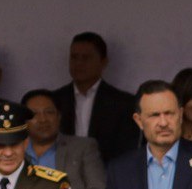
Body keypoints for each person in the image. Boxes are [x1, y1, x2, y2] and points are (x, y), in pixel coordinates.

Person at [51, 32, 139, 164]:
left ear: (103, 62)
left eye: (86, 58)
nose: (79, 63)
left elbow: (126, 152)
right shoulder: (54, 101)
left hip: (107, 177)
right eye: (74, 57)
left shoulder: (123, 104)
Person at [20, 89, 107, 189]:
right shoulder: (14, 152)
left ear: (59, 116)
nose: (43, 119)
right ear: (23, 121)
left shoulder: (83, 147)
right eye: (34, 114)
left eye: (49, 112)